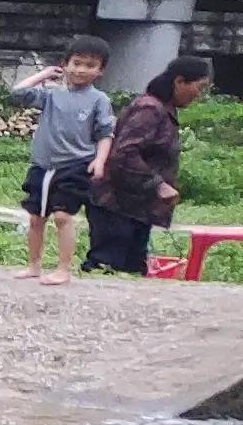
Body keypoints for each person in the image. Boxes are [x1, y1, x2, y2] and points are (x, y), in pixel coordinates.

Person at [88, 55, 208, 278]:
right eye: (198, 88)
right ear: (179, 81)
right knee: (105, 268)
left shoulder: (163, 110)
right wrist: (158, 185)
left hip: (136, 208)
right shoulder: (150, 109)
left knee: (132, 272)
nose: (199, 95)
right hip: (116, 206)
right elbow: (125, 154)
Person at [11, 38, 114, 283]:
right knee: (36, 218)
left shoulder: (99, 100)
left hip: (75, 165)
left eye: (90, 65)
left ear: (100, 71)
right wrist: (43, 75)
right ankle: (34, 265)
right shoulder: (51, 96)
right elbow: (17, 94)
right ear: (64, 65)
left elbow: (105, 134)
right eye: (76, 63)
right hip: (42, 165)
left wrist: (100, 161)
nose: (81, 70)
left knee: (62, 217)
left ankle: (63, 269)